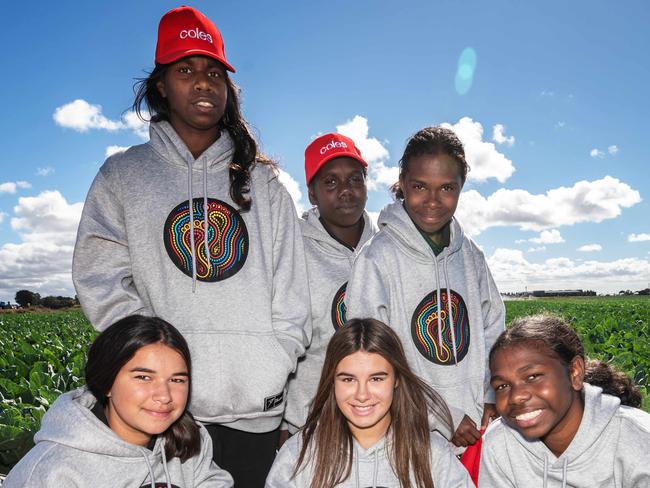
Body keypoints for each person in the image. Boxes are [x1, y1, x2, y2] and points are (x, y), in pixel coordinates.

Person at [71, 6, 311, 486]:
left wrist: (269, 367)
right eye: (186, 70)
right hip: (162, 416)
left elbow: (293, 299)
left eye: (214, 72)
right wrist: (157, 378)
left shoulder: (263, 184)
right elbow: (102, 283)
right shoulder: (124, 176)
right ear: (161, 85)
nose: (203, 83)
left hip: (253, 414)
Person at [345, 126, 505, 447]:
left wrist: (492, 393)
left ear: (461, 187)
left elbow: (494, 330)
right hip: (410, 431)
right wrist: (442, 414)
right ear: (402, 183)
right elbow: (373, 358)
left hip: (476, 427)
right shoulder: (377, 258)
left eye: (447, 187)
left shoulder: (470, 255)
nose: (433, 201)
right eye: (420, 186)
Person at [3, 315, 233, 487]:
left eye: (177, 379)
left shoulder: (188, 438)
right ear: (107, 383)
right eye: (143, 377)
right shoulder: (51, 473)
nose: (164, 395)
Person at [266, 318, 473, 488]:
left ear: (397, 379)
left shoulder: (430, 454)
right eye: (348, 379)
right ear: (332, 381)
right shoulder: (299, 454)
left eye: (376, 379)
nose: (362, 395)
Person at [480, 314, 650, 487]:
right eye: (502, 386)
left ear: (575, 373)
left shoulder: (640, 439)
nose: (516, 397)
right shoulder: (499, 443)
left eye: (533, 376)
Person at [283, 133, 377, 434]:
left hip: (378, 419)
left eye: (354, 179)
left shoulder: (387, 246)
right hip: (310, 422)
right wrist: (285, 419)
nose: (345, 191)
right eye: (331, 182)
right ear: (312, 193)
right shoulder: (291, 247)